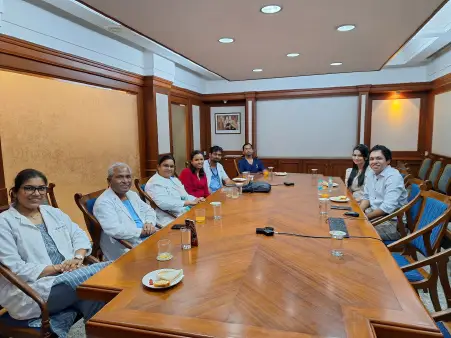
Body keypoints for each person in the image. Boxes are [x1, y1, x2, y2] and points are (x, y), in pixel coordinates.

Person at [0, 169, 109, 337]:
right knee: (99, 278)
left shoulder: (52, 212)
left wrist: (78, 258)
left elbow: (78, 235)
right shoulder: (4, 223)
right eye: (29, 188)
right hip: (30, 292)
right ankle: (107, 268)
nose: (36, 193)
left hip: (69, 278)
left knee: (94, 296)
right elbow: (15, 269)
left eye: (41, 188)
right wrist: (58, 268)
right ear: (14, 192)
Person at [93, 163, 157, 261]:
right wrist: (141, 232)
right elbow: (115, 230)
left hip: (148, 236)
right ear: (109, 181)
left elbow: (149, 210)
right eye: (120, 177)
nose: (125, 181)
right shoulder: (103, 203)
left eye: (128, 177)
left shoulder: (132, 194)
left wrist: (149, 222)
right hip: (126, 245)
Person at [360, 145, 408, 241]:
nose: (374, 162)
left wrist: (364, 218)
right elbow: (367, 197)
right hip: (375, 216)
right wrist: (359, 213)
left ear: (388, 161)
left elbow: (387, 208)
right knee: (349, 224)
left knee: (356, 232)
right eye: (371, 159)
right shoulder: (371, 174)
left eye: (379, 158)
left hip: (392, 223)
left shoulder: (393, 177)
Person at [145, 155, 203, 226]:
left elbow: (185, 196)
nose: (169, 169)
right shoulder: (154, 183)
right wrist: (187, 203)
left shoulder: (174, 180)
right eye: (166, 166)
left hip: (184, 213)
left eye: (171, 166)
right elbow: (163, 204)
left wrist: (196, 199)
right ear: (158, 167)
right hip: (168, 219)